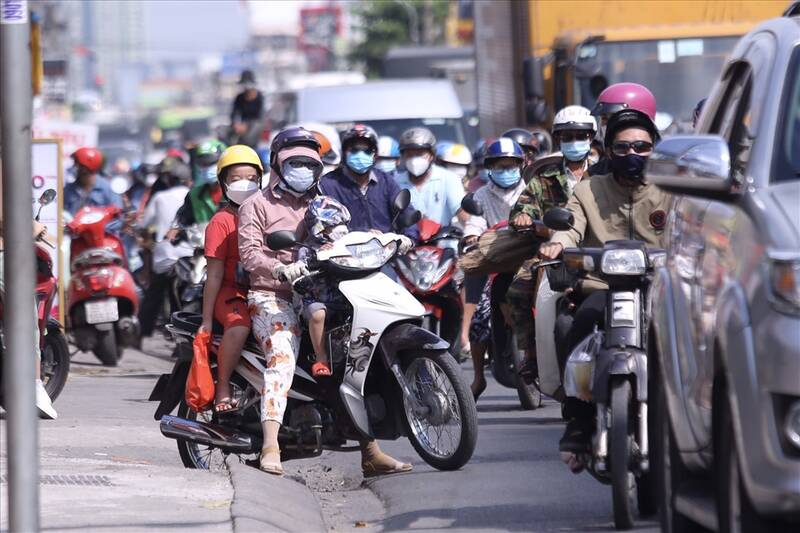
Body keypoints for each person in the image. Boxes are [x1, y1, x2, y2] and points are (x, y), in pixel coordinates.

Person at [239, 126, 412, 477]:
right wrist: (281, 268)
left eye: (309, 163)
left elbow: (344, 236)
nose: (302, 170)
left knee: (356, 357)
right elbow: (249, 255)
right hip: (273, 295)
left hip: (323, 290)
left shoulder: (325, 201)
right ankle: (270, 445)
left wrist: (384, 239)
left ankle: (370, 450)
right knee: (283, 356)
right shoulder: (256, 205)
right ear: (277, 164)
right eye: (294, 163)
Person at [537, 108, 670, 460]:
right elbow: (569, 227)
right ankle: (579, 420)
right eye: (623, 148)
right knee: (573, 323)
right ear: (608, 151)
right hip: (602, 289)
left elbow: (696, 226)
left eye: (641, 147)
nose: (633, 155)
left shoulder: (671, 189)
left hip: (662, 291)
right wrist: (558, 243)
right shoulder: (588, 189)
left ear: (655, 149)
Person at [507, 105, 597, 385]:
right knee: (518, 289)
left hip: (596, 251)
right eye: (567, 136)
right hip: (551, 252)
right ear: (558, 140)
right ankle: (531, 353)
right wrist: (523, 216)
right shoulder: (542, 178)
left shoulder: (602, 175)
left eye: (579, 135)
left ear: (591, 138)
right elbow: (522, 208)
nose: (573, 141)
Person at [460, 138, 527, 399]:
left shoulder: (530, 190)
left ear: (521, 166)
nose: (506, 171)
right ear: (490, 168)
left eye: (512, 166)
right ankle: (478, 378)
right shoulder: (481, 195)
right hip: (492, 258)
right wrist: (471, 236)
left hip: (525, 256)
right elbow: (474, 222)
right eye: (501, 166)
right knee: (480, 316)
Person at [198, 145, 263, 413]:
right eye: (236, 179)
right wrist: (205, 320)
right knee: (239, 326)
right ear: (224, 184)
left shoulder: (267, 214)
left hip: (265, 289)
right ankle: (223, 386)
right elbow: (213, 274)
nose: (244, 184)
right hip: (231, 293)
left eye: (250, 178)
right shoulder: (221, 221)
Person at [319, 124, 416, 246]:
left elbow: (407, 215)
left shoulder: (386, 181)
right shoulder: (329, 184)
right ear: (344, 153)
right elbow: (322, 226)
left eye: (367, 151)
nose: (360, 155)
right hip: (344, 255)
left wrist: (409, 240)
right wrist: (364, 235)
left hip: (385, 253)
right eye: (354, 150)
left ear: (375, 155)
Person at [299, 196, 353, 377]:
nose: (340, 230)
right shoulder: (308, 249)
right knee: (317, 313)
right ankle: (321, 359)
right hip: (317, 299)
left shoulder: (350, 244)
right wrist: (319, 256)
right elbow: (303, 269)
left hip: (346, 297)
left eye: (343, 224)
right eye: (331, 226)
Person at [393, 127, 469, 227]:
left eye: (420, 154)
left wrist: (470, 232)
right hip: (407, 240)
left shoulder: (449, 178)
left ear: (432, 155)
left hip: (443, 239)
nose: (414, 159)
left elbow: (461, 211)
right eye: (409, 155)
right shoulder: (395, 183)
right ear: (403, 157)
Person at [589, 82, 657, 175]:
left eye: (616, 119)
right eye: (604, 119)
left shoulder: (664, 177)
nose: (610, 126)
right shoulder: (592, 176)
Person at [169, 140, 227, 234]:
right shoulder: (194, 196)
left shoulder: (236, 192)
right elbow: (182, 220)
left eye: (211, 163)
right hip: (204, 246)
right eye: (202, 164)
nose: (206, 168)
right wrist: (175, 230)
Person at [140, 157, 192, 241]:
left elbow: (144, 224)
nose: (164, 179)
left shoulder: (159, 196)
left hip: (166, 245)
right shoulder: (193, 194)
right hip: (190, 246)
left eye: (166, 175)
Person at [64, 147, 123, 215]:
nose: (74, 167)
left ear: (86, 167)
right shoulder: (68, 189)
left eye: (77, 164)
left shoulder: (107, 189)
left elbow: (118, 216)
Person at [230, 69, 264, 148]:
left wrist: (247, 125)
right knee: (222, 131)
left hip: (254, 126)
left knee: (254, 129)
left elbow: (260, 117)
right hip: (240, 127)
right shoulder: (239, 98)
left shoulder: (259, 97)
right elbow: (234, 114)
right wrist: (236, 124)